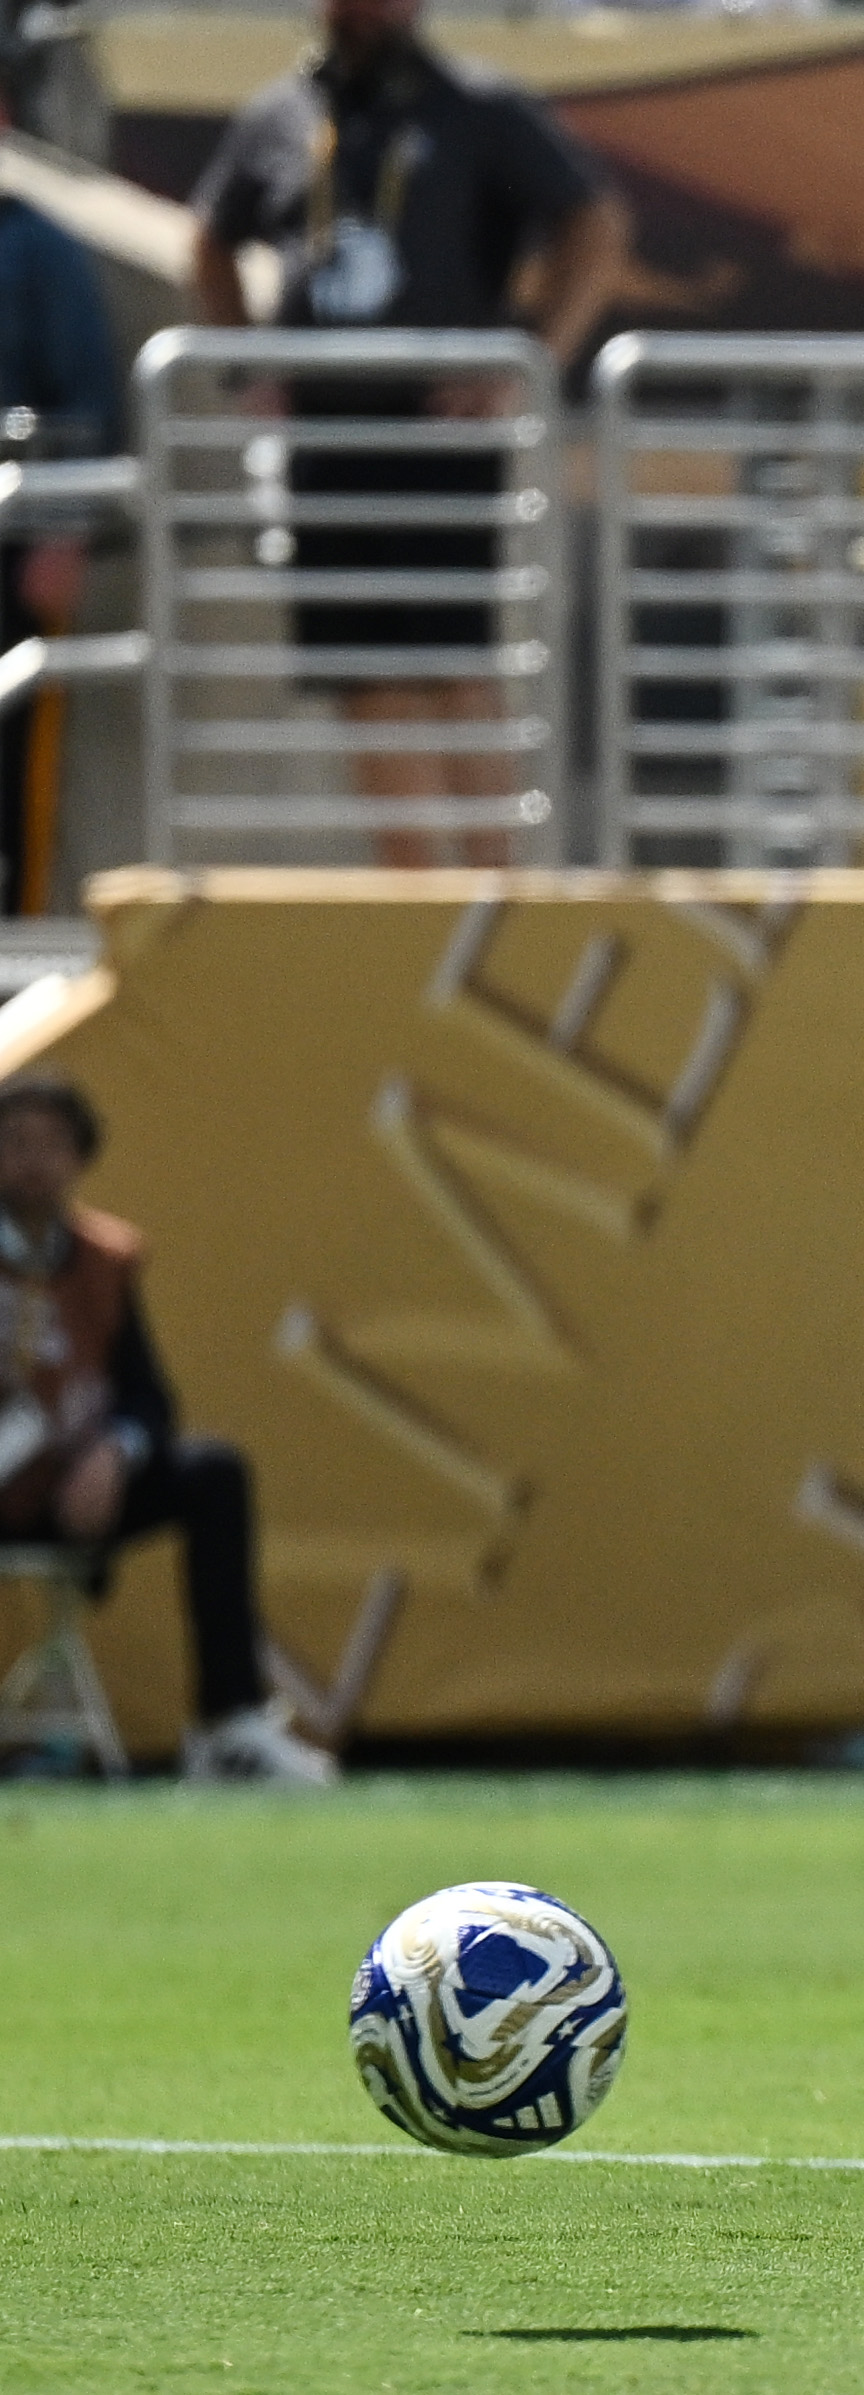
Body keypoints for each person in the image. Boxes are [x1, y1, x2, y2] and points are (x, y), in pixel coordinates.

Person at [187, 0, 626, 868]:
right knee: (367, 673)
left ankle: (497, 893)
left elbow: (595, 225)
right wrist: (251, 365)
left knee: (456, 666)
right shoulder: (281, 115)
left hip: (439, 438)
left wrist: (527, 362)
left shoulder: (477, 107)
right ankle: (417, 901)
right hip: (329, 441)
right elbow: (209, 241)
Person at [0, 1072, 334, 1783]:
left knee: (214, 1471)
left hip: (70, 1493)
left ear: (81, 1156)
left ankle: (231, 1724)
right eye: (14, 1142)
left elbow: (149, 1399)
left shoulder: (104, 1261)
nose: (33, 1160)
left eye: (52, 1144)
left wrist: (114, 1453)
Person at [0, 84, 117, 914]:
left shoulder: (36, 249)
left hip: (13, 556)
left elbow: (91, 406)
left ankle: (12, 986)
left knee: (10, 790)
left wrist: (64, 539)